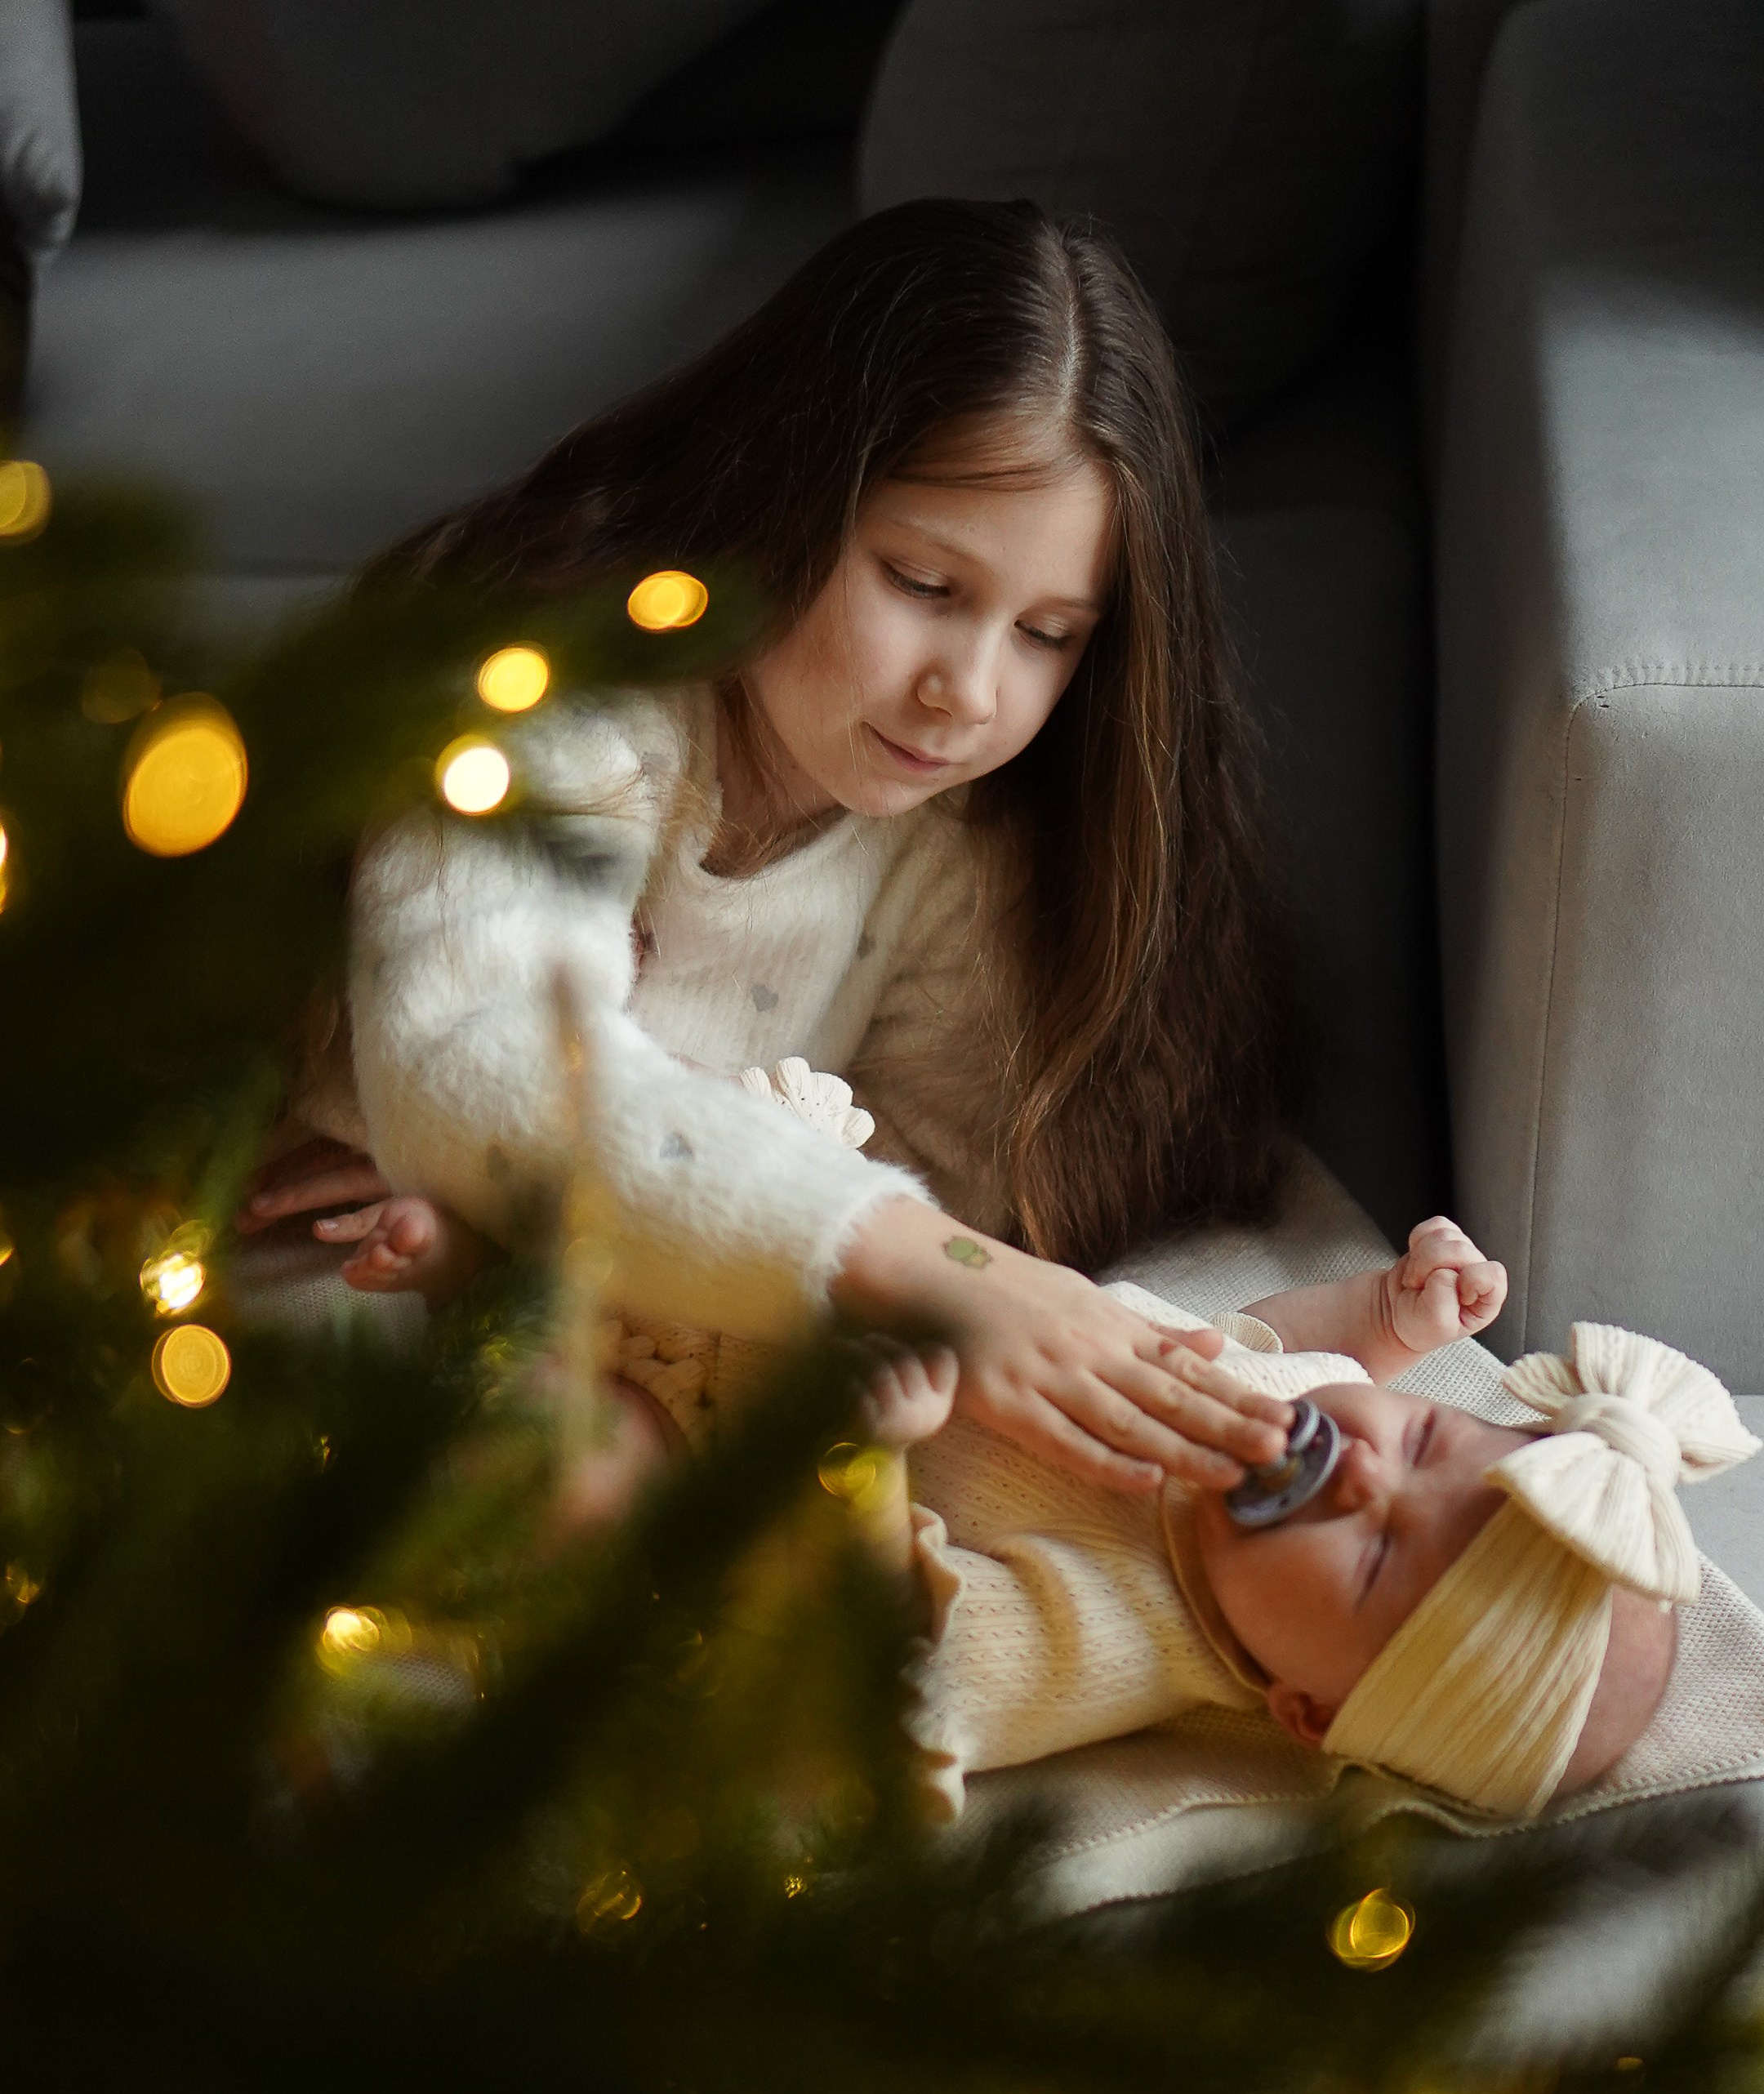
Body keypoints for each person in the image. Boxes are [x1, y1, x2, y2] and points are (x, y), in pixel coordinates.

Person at [238, 198, 1307, 1506]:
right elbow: (488, 1064)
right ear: (780, 486)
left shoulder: (962, 847)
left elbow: (947, 1174)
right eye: (923, 584)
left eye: (1049, 634)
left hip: (611, 1358)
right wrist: (483, 1137)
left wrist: (560, 1177)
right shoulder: (555, 698)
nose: (968, 692)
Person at [886, 1223, 1759, 1824]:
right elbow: (1254, 1345)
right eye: (1421, 1438)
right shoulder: (1290, 1410)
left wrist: (869, 1450)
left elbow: (891, 1679)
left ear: (1312, 1712)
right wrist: (1385, 1317)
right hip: (913, 1254)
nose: (1360, 1469)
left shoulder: (1107, 1632)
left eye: (1377, 1557)